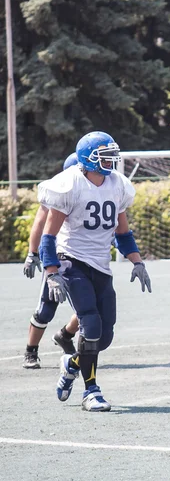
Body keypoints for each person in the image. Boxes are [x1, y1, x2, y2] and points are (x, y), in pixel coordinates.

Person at [38, 131, 152, 412]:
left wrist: (137, 261)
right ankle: (91, 391)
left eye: (113, 154)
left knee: (105, 335)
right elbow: (48, 236)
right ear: (88, 159)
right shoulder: (70, 184)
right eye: (105, 155)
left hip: (101, 263)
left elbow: (122, 232)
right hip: (71, 260)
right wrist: (52, 271)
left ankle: (72, 362)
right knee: (90, 324)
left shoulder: (117, 185)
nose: (111, 160)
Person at [22, 152, 80, 369]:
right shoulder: (60, 192)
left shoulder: (99, 190)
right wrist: (33, 253)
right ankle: (31, 350)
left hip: (83, 259)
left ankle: (65, 335)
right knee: (47, 307)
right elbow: (40, 225)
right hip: (58, 259)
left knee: (91, 305)